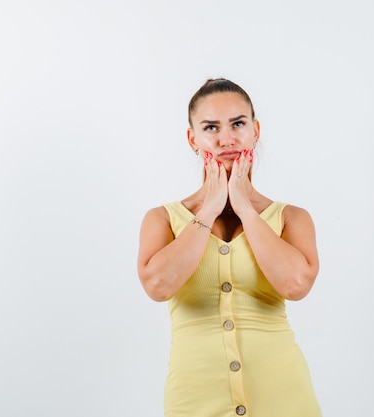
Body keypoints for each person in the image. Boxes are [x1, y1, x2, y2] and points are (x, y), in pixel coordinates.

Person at [137, 78, 322, 416]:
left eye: (238, 123)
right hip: (194, 399)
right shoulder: (163, 219)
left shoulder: (291, 218)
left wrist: (246, 208)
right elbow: (159, 286)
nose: (226, 139)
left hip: (282, 396)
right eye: (211, 127)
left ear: (255, 130)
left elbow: (295, 285)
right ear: (193, 138)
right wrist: (208, 208)